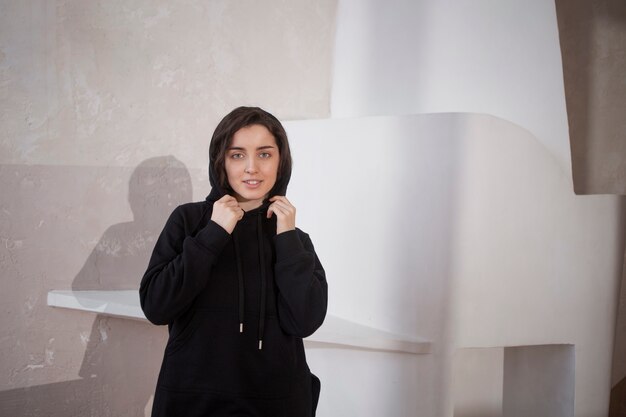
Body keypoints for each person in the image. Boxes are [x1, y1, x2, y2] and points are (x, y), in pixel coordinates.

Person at [139, 106, 328, 417]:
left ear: (281, 162)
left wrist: (287, 238)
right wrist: (214, 233)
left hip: (278, 404)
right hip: (194, 402)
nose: (251, 167)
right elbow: (156, 306)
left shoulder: (294, 237)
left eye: (264, 154)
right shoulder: (190, 221)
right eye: (237, 155)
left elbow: (305, 321)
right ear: (221, 161)